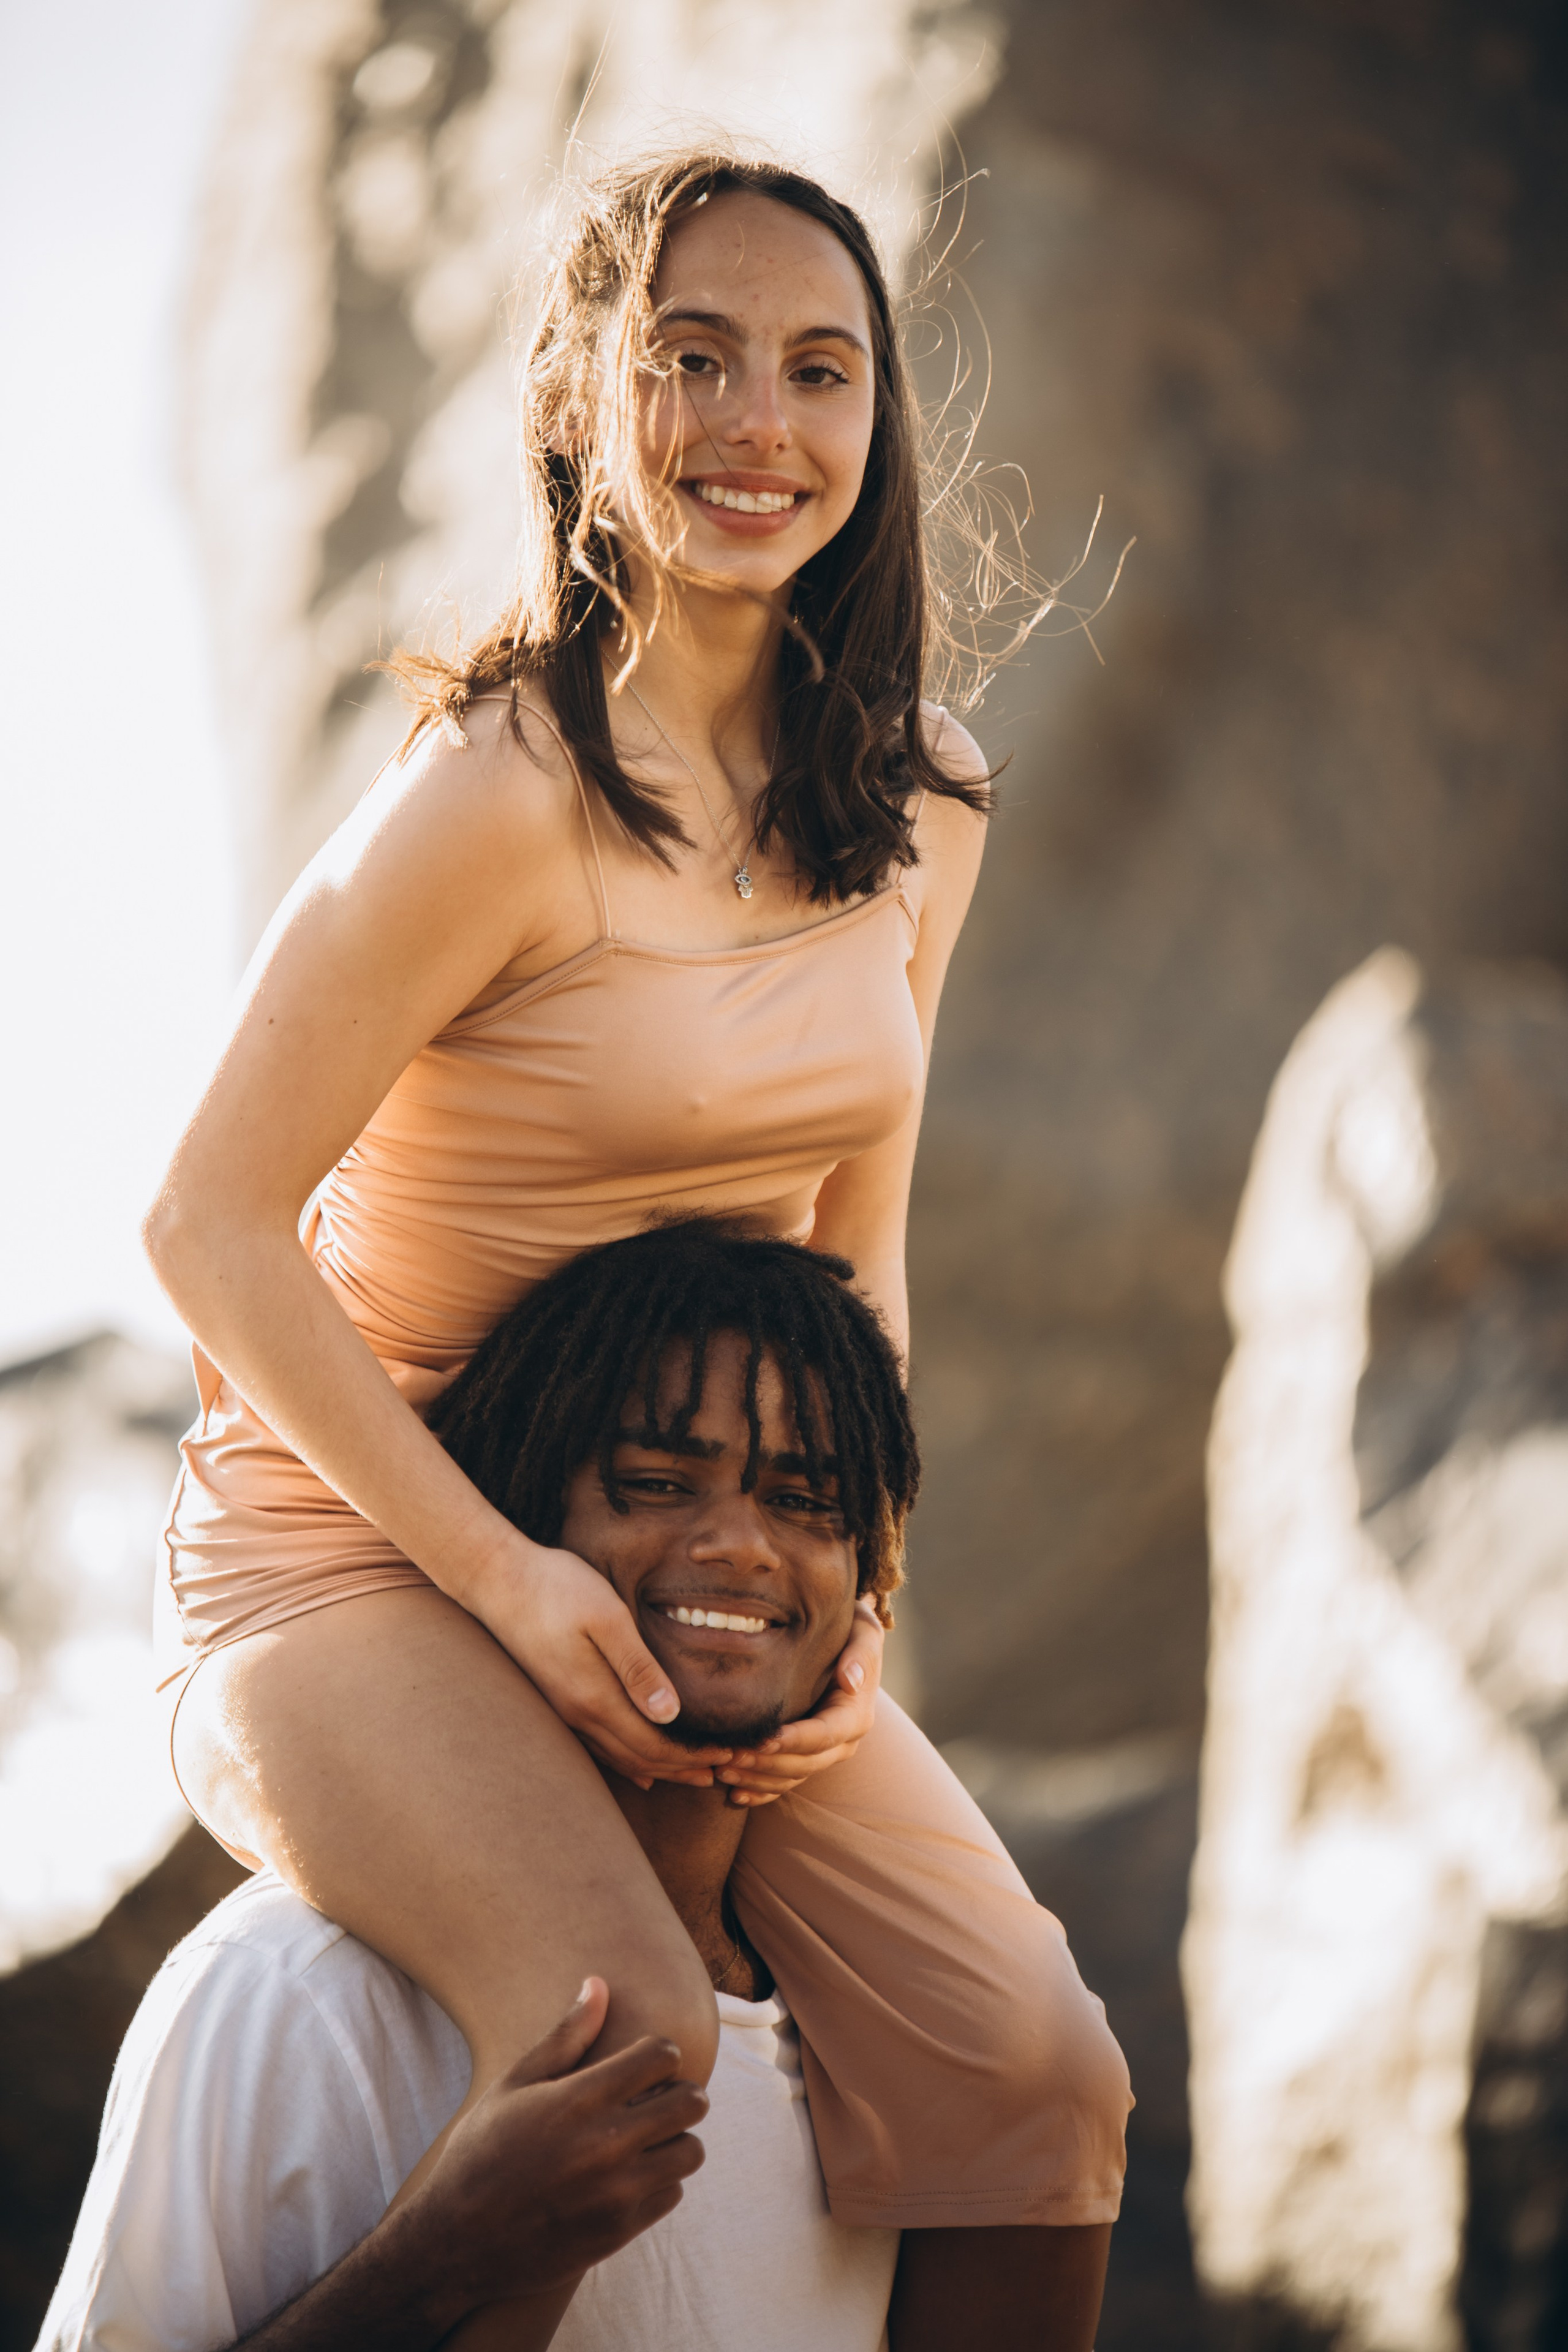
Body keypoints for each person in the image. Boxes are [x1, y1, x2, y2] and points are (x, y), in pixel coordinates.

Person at [143, 153, 1131, 2351]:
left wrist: (854, 1585)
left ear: (879, 428)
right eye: (689, 358)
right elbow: (201, 1224)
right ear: (588, 399)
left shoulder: (922, 801)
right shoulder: (497, 790)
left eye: (817, 368)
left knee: (1042, 2087)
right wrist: (503, 1581)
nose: (753, 422)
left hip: (692, 1547)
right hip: (358, 1559)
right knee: (632, 2047)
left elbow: (852, 1252)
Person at [43, 1227, 1107, 2349]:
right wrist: (435, 2257)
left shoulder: (896, 2046)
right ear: (515, 1536)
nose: (744, 1546)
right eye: (654, 1483)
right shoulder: (292, 1993)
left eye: (807, 1502)